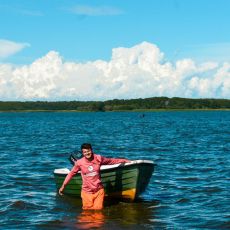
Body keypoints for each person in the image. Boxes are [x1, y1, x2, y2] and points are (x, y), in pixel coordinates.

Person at [59, 143, 130, 210]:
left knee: (98, 212)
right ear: (83, 153)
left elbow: (110, 161)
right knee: (87, 214)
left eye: (88, 151)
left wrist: (123, 160)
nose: (87, 153)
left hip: (98, 191)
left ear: (91, 150)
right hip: (87, 192)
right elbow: (71, 174)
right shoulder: (79, 163)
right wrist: (63, 186)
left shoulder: (98, 158)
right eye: (85, 152)